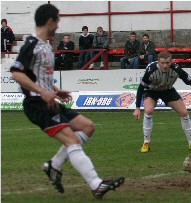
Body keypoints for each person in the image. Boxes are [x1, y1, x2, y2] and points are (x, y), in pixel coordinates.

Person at [9, 4, 124, 200]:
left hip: (49, 99)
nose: (59, 24)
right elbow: (17, 73)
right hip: (37, 104)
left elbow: (35, 75)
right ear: (50, 21)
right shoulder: (32, 43)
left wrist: (55, 90)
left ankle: (54, 165)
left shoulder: (45, 45)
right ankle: (96, 184)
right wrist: (42, 92)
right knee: (71, 139)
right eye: (58, 20)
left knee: (88, 127)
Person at [133, 51, 191, 153]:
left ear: (171, 61)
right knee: (149, 110)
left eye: (167, 63)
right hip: (151, 91)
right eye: (162, 63)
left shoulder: (176, 69)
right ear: (158, 62)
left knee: (184, 113)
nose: (165, 65)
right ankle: (146, 142)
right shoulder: (151, 70)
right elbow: (141, 88)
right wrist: (137, 108)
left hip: (168, 90)